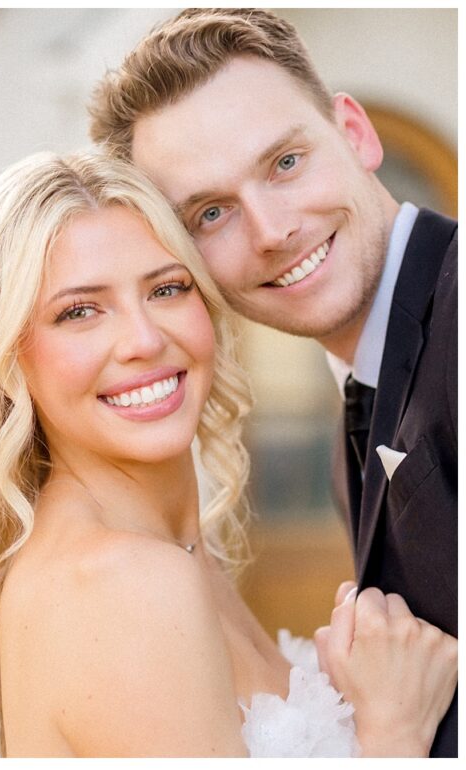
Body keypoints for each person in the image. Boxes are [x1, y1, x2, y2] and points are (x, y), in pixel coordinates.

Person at [0, 151, 457, 757]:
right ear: (9, 359)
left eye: (167, 289)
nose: (144, 340)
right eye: (80, 311)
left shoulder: (178, 554)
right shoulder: (122, 584)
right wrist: (395, 732)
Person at [88, 8, 457, 756]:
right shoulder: (361, 404)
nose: (270, 229)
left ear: (354, 133)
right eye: (212, 211)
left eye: (285, 163)